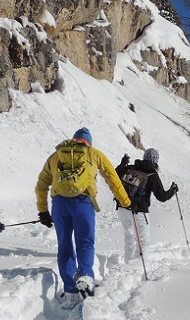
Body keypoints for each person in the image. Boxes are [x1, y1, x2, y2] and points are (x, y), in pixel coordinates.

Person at [36, 127, 132, 306]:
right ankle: (86, 275)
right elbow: (112, 178)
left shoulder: (56, 156)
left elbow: (41, 184)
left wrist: (43, 210)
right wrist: (126, 202)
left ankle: (70, 291)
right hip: (83, 203)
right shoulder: (94, 154)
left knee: (64, 245)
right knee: (85, 242)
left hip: (59, 205)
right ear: (89, 142)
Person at [114, 147, 178, 262]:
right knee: (143, 241)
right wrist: (172, 190)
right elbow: (162, 196)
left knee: (129, 238)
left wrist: (122, 163)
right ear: (156, 162)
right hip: (139, 211)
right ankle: (140, 268)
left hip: (122, 208)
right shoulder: (152, 174)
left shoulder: (132, 167)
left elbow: (115, 174)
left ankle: (128, 264)